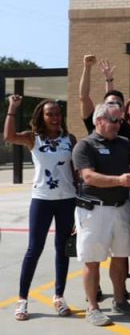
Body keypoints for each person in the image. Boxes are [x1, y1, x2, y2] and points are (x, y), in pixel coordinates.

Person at [5, 96, 77, 321]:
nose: (55, 118)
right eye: (50, 114)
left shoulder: (70, 139)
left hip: (67, 200)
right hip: (42, 199)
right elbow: (8, 136)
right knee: (34, 249)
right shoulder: (32, 138)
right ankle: (22, 300)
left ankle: (59, 296)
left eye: (57, 114)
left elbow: (75, 171)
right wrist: (12, 109)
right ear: (41, 117)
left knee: (62, 249)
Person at [72, 102, 130, 326]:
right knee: (92, 260)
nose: (118, 124)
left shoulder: (123, 144)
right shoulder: (85, 146)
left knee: (121, 256)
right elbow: (89, 177)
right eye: (114, 120)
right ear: (99, 121)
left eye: (120, 120)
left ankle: (120, 300)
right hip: (94, 211)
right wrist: (120, 181)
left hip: (121, 208)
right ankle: (93, 307)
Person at [78, 54, 130, 145]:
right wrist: (87, 67)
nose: (113, 106)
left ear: (123, 108)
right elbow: (84, 97)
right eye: (110, 104)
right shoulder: (96, 120)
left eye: (117, 104)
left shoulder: (129, 130)